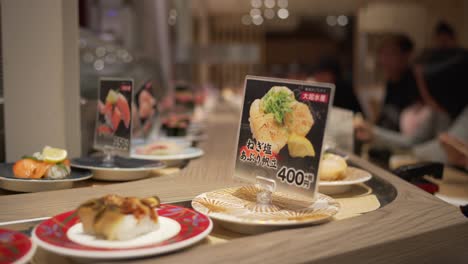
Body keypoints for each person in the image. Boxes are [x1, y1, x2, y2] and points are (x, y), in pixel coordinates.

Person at [355, 47, 468, 165]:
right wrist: (373, 132)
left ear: (442, 86)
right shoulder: (438, 110)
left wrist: (403, 155)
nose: (420, 88)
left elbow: (440, 152)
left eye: (422, 81)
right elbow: (413, 141)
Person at [376, 34, 420, 131]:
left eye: (391, 54)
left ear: (407, 56)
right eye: (382, 54)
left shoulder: (416, 84)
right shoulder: (391, 81)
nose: (384, 60)